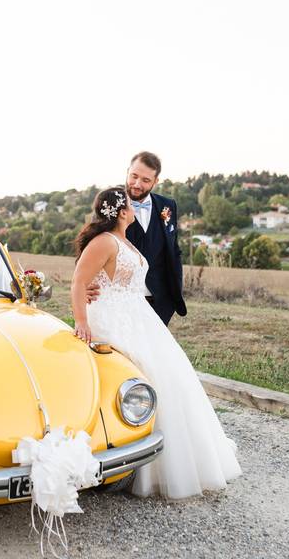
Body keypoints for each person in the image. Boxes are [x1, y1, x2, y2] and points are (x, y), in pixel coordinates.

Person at [71, 186, 241, 499]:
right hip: (112, 319)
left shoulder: (124, 241)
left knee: (172, 377)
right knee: (144, 375)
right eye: (129, 205)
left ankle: (170, 457)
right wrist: (82, 321)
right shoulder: (103, 241)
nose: (135, 208)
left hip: (139, 317)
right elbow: (79, 281)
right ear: (122, 212)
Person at [88, 151, 186, 326]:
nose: (137, 184)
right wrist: (85, 283)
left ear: (156, 181)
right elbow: (90, 247)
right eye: (134, 176)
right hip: (121, 301)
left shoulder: (168, 206)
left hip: (161, 301)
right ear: (127, 172)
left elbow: (173, 249)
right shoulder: (110, 204)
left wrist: (175, 291)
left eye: (146, 180)